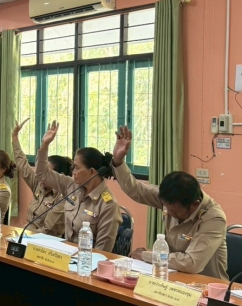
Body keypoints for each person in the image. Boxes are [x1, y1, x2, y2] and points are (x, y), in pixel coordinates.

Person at [112, 126, 228, 279]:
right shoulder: (170, 197)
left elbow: (191, 263)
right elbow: (136, 190)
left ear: (195, 204)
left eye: (175, 212)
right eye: (167, 209)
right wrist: (118, 161)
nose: (171, 214)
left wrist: (146, 255)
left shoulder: (213, 218)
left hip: (205, 285)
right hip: (172, 277)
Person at [34, 121, 121, 251]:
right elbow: (42, 174)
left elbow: (102, 251)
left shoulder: (108, 205)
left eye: (77, 168)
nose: (73, 172)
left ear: (92, 172)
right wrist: (44, 145)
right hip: (65, 253)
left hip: (87, 259)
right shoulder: (71, 185)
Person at [12, 119, 70, 237]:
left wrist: (24, 237)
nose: (42, 177)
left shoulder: (63, 197)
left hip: (44, 241)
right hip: (26, 234)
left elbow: (49, 231)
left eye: (46, 174)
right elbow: (22, 164)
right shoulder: (39, 184)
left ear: (57, 176)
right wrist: (15, 136)